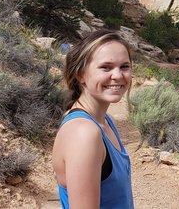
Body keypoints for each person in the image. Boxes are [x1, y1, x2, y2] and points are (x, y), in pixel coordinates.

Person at [52, 29, 135, 209]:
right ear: (80, 74)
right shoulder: (83, 133)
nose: (118, 75)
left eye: (124, 66)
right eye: (106, 67)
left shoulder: (105, 121)